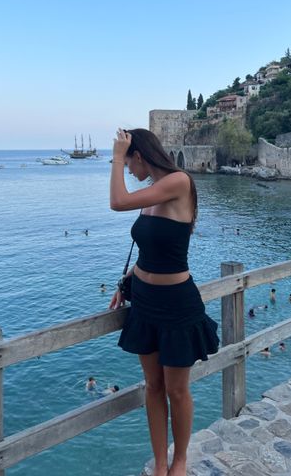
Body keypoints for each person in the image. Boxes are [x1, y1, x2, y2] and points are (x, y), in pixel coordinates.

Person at [108, 128, 219, 476]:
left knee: (177, 389)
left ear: (138, 155)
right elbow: (149, 251)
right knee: (153, 387)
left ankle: (180, 460)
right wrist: (126, 283)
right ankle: (159, 463)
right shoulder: (151, 196)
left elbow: (116, 202)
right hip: (145, 302)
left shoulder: (179, 182)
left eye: (128, 163)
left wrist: (115, 153)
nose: (127, 170)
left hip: (177, 302)